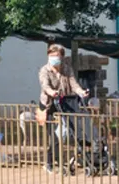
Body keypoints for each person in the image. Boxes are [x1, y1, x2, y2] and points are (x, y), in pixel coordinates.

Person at [37, 44, 89, 174]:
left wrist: (81, 92)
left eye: (56, 56)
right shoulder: (44, 70)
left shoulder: (67, 69)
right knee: (54, 137)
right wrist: (52, 92)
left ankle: (53, 162)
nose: (54, 58)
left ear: (62, 57)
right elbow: (45, 85)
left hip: (64, 102)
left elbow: (73, 84)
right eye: (51, 56)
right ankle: (54, 163)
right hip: (49, 105)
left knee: (64, 135)